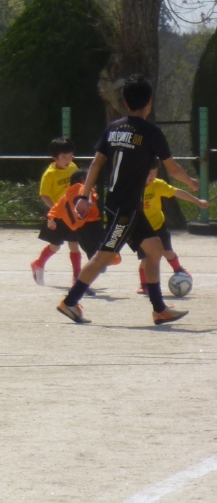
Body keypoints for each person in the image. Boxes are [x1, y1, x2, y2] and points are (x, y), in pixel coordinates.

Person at [58, 75, 198, 325]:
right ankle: (69, 302)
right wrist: (190, 182)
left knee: (154, 249)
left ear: (125, 102)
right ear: (150, 102)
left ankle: (159, 309)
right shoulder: (151, 133)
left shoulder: (113, 128)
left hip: (122, 204)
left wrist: (84, 195)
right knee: (104, 255)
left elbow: (96, 164)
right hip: (125, 208)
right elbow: (173, 169)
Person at [135, 160, 208, 293]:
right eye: (149, 173)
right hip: (141, 229)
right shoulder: (132, 187)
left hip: (158, 225)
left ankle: (178, 270)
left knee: (167, 252)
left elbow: (177, 192)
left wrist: (197, 201)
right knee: (147, 258)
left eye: (155, 172)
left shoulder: (158, 184)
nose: (152, 176)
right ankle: (144, 284)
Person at [31, 137, 84, 285]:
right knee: (55, 245)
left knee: (74, 244)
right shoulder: (50, 174)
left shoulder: (73, 167)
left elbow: (78, 186)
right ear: (55, 157)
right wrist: (55, 210)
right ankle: (38, 264)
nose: (68, 160)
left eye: (71, 156)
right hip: (57, 215)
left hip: (71, 214)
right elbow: (44, 195)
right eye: (64, 157)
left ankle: (77, 277)